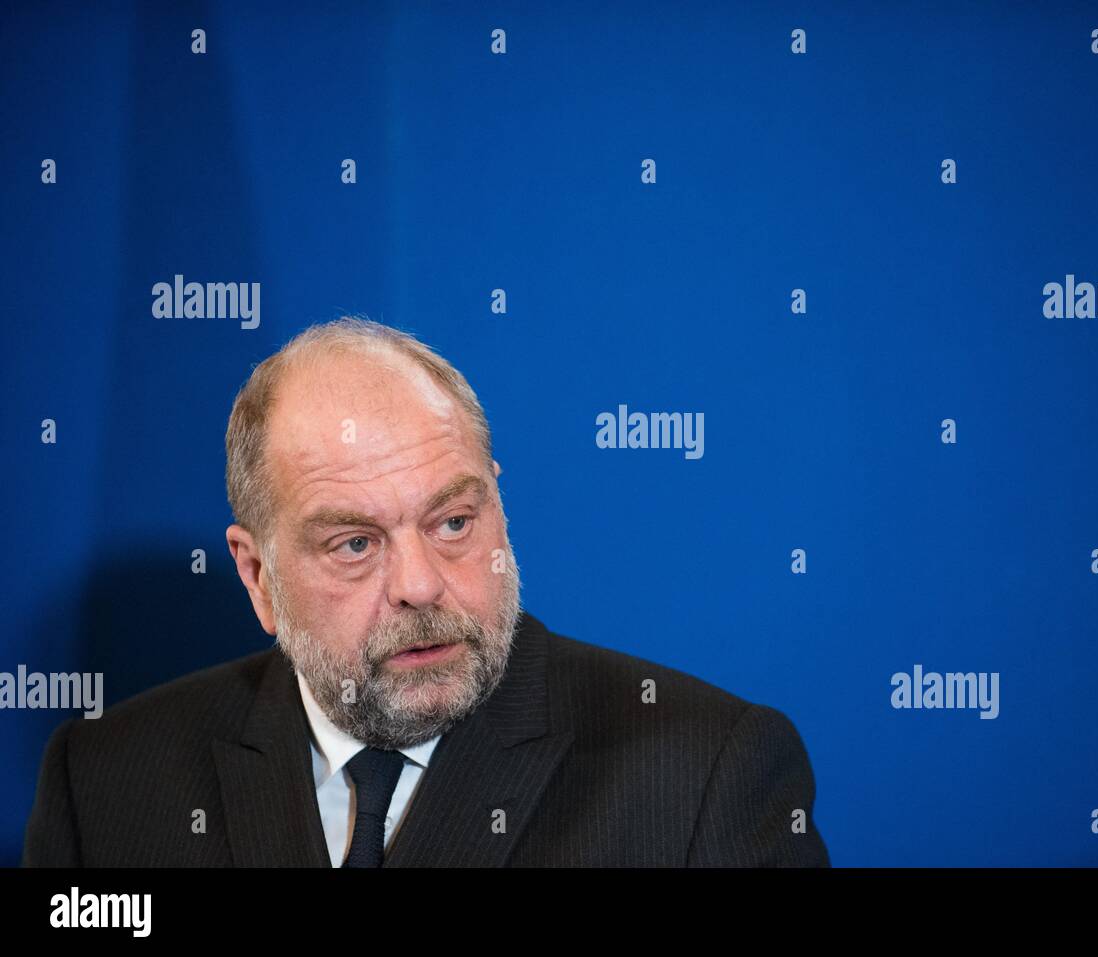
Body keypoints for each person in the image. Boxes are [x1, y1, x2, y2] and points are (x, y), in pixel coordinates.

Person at [23, 317, 830, 867]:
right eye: (355, 543)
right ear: (258, 577)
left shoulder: (703, 778)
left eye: (452, 522)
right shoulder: (105, 787)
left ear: (500, 508)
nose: (419, 585)